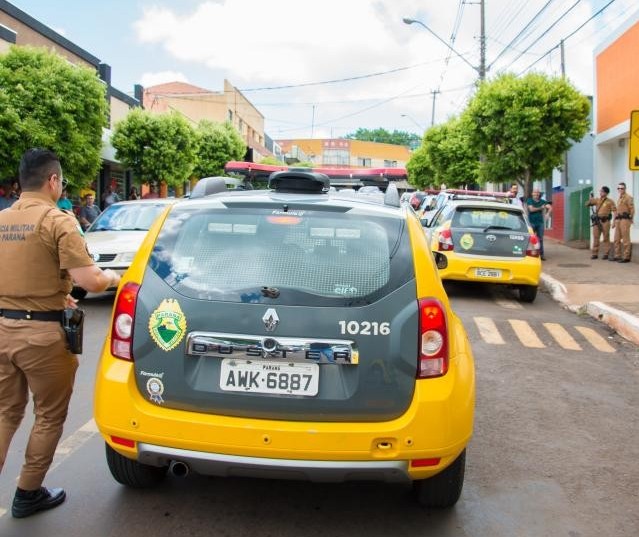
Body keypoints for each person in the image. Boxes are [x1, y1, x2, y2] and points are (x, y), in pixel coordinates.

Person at [0, 148, 121, 519]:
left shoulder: (2, 218)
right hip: (42, 334)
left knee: (5, 412)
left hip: (2, 328)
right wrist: (117, 277)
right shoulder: (58, 221)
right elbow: (92, 280)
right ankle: (28, 492)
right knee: (49, 416)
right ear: (53, 181)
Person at [585, 186, 616, 260]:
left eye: (602, 191)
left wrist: (614, 221)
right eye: (600, 191)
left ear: (606, 193)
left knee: (606, 237)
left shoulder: (610, 201)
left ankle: (606, 254)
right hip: (597, 221)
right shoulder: (597, 200)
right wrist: (590, 199)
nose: (600, 192)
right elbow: (586, 204)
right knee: (596, 237)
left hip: (606, 221)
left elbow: (615, 211)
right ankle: (595, 253)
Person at [611, 182, 635, 263]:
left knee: (625, 239)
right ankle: (617, 255)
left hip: (625, 220)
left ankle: (626, 257)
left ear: (625, 189)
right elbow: (617, 211)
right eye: (618, 188)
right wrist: (614, 221)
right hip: (618, 220)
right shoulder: (619, 198)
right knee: (616, 239)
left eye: (622, 188)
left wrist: (630, 218)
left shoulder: (628, 198)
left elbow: (632, 209)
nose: (620, 190)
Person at [526, 189, 552, 261]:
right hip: (531, 222)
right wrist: (541, 208)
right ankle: (529, 253)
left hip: (540, 223)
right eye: (535, 192)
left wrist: (548, 213)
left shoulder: (542, 201)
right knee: (531, 238)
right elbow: (531, 209)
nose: (536, 194)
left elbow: (550, 207)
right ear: (532, 194)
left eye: (538, 193)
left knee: (540, 239)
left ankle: (541, 255)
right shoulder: (529, 200)